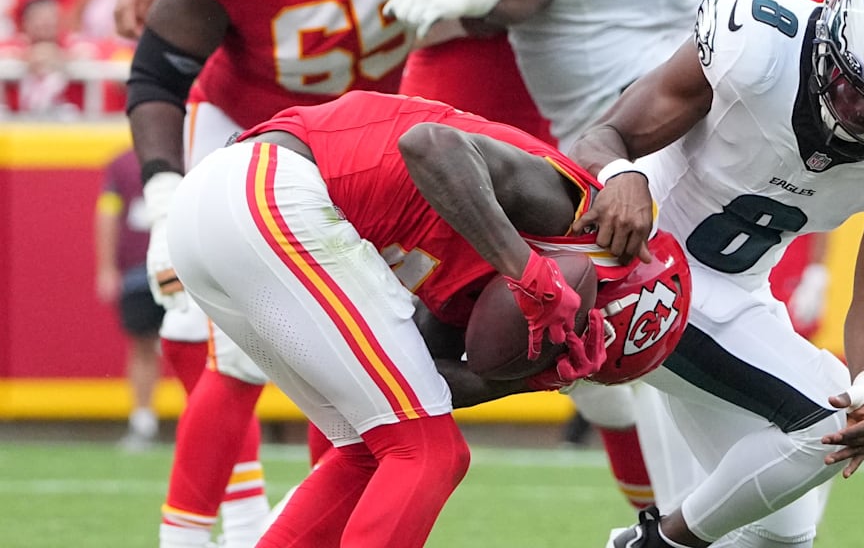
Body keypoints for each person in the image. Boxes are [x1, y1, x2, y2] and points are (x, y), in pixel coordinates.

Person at [566, 0, 864, 546]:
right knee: (825, 415)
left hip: (732, 294)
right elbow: (603, 136)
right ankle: (657, 543)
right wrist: (622, 174)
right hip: (641, 266)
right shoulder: (756, 43)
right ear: (830, 40)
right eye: (854, 93)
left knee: (780, 533)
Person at [165, 88, 692, 548]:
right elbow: (428, 143)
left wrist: (534, 379)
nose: (567, 340)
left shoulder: (495, 281)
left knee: (371, 451)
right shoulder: (564, 211)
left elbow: (429, 377)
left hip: (220, 214)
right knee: (429, 453)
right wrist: (528, 273)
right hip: (267, 187)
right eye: (580, 336)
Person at [385, 0, 721, 513]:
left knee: (642, 348)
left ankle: (673, 523)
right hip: (661, 117)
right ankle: (668, 520)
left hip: (603, 133)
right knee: (623, 349)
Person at [124, 0, 413, 546]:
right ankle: (200, 532)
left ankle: (308, 525)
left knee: (362, 339)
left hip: (368, 138)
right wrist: (163, 191)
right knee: (223, 343)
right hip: (244, 133)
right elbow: (158, 70)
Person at [94, 148, 165, 451]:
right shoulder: (122, 165)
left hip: (177, 267)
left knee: (194, 344)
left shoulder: (188, 154)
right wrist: (106, 267)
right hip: (140, 269)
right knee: (143, 344)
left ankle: (204, 421)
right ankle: (143, 419)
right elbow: (107, 214)